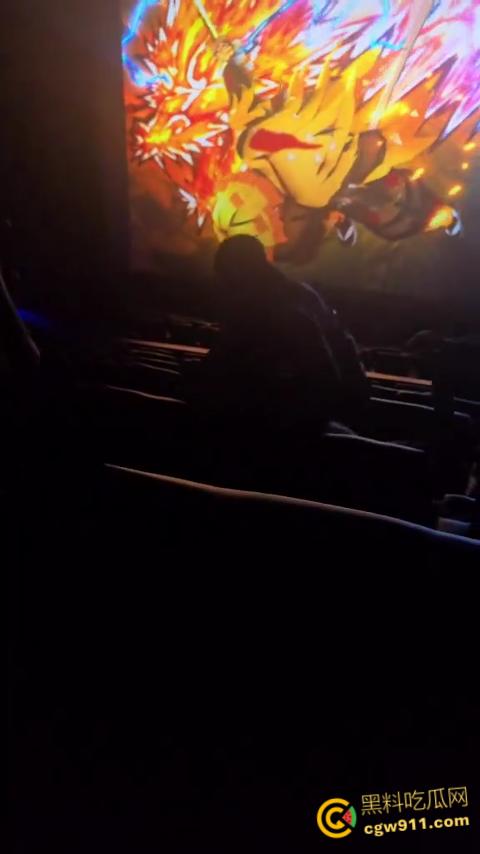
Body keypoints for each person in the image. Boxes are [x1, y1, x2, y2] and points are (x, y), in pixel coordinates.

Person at [190, 235, 368, 442]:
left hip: (302, 429)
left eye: (222, 275)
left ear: (235, 271)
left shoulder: (258, 309)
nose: (220, 283)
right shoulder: (301, 296)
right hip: (321, 419)